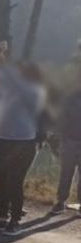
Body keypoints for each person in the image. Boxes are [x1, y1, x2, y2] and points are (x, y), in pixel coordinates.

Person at [0, 42, 47, 236]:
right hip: (1, 138)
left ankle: (15, 219)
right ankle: (1, 217)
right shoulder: (9, 87)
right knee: (2, 179)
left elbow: (8, 78)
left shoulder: (34, 90)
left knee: (15, 180)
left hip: (23, 142)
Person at [52, 70, 81, 215]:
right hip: (70, 140)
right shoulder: (70, 98)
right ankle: (60, 202)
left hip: (72, 140)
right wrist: (61, 137)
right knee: (66, 173)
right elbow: (62, 119)